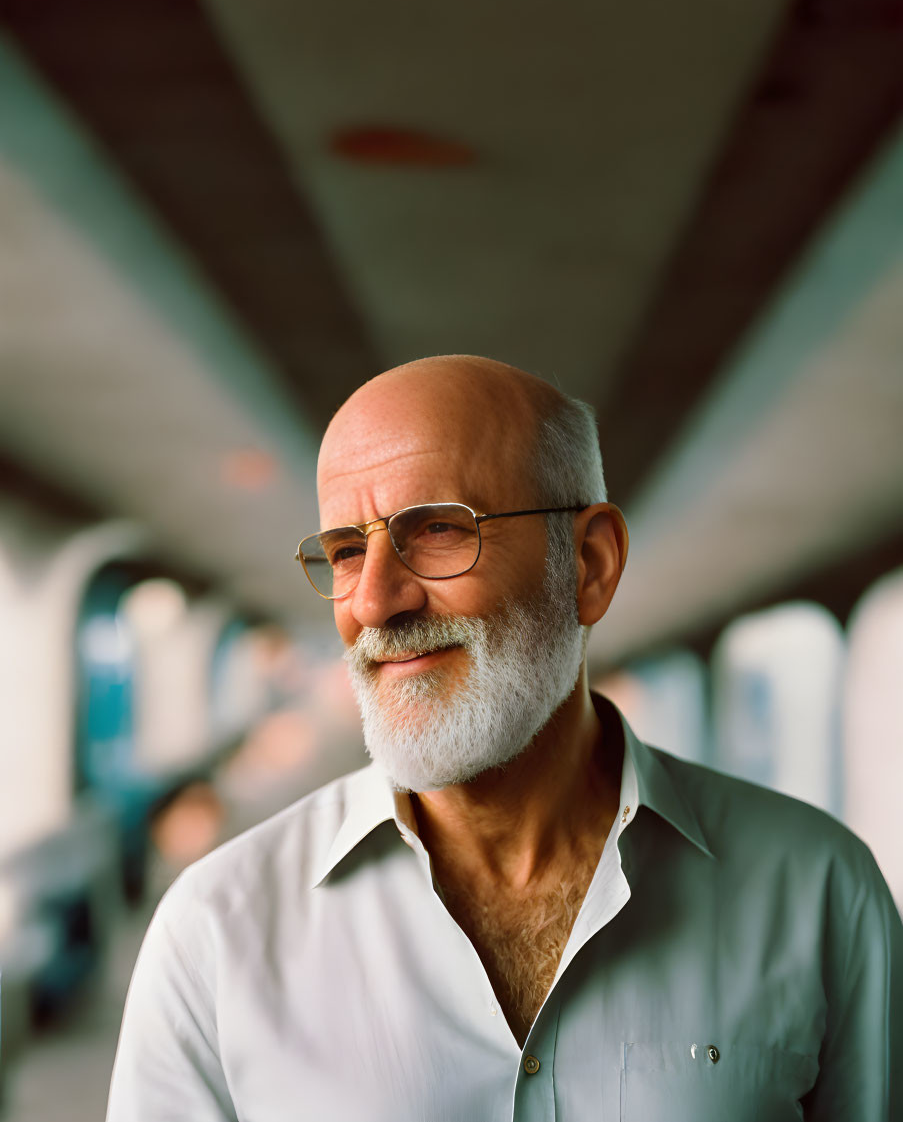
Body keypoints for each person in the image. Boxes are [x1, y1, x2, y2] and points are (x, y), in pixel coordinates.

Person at [107, 355, 902, 1121]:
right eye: (347, 550)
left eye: (438, 531)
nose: (375, 600)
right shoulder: (217, 931)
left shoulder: (820, 891)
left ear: (588, 564)